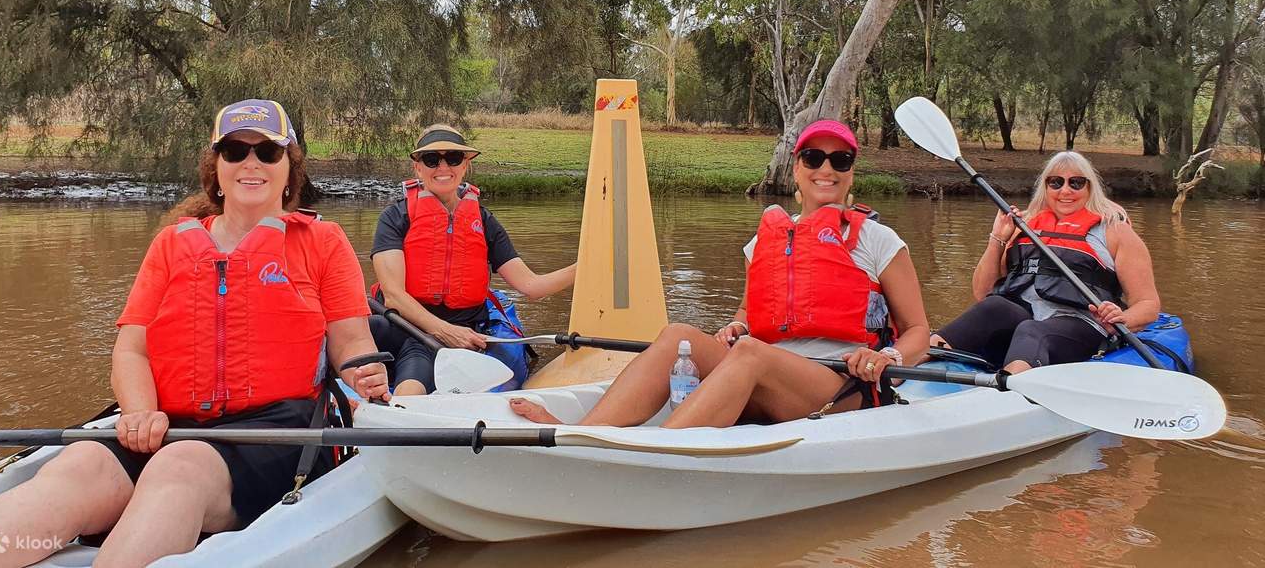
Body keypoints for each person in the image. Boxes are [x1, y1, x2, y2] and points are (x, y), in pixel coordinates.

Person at [0, 99, 391, 568]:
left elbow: (351, 342)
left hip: (274, 433)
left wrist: (363, 372)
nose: (251, 162)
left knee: (180, 465)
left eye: (268, 152)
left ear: (289, 170)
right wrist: (139, 412)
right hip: (165, 424)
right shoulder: (172, 244)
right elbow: (132, 349)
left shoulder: (323, 242)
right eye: (235, 151)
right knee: (78, 465)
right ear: (216, 168)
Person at [510, 119, 930, 428]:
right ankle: (584, 435)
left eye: (840, 159)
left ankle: (657, 452)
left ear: (851, 170)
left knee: (749, 354)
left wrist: (886, 356)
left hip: (840, 388)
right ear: (796, 168)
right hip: (766, 376)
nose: (827, 168)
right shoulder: (762, 242)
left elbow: (918, 331)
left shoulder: (878, 240)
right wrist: (735, 324)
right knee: (679, 337)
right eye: (813, 157)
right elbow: (750, 313)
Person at [370, 124, 578, 395]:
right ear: (418, 168)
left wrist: (585, 266)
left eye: (453, 158)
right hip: (405, 326)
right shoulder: (395, 217)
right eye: (432, 160)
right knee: (412, 375)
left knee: (422, 375)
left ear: (465, 164)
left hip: (462, 329)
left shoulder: (485, 221)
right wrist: (445, 331)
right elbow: (394, 296)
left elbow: (531, 286)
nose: (443, 167)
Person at [931, 150, 1160, 373]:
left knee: (1032, 331)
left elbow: (1148, 304)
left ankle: (1012, 394)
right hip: (1022, 317)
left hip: (1079, 324)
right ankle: (912, 365)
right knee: (993, 307)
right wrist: (998, 238)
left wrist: (1123, 318)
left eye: (1076, 183)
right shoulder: (1023, 227)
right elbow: (983, 292)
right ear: (1045, 186)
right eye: (1056, 182)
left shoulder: (1115, 232)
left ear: (1090, 187)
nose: (1065, 190)